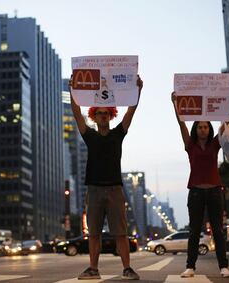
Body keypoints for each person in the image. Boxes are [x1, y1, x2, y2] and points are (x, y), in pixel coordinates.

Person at [69, 75, 143, 280]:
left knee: (120, 232)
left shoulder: (118, 133)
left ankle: (127, 268)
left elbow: (131, 111)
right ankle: (93, 269)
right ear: (94, 116)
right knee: (93, 233)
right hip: (93, 190)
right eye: (99, 113)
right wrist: (73, 91)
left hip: (114, 190)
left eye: (106, 113)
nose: (102, 116)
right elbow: (76, 114)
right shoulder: (89, 135)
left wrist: (138, 90)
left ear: (111, 115)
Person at [171, 91, 229, 278]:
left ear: (209, 129)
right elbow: (180, 123)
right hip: (196, 193)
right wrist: (175, 104)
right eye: (200, 127)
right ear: (195, 129)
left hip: (215, 191)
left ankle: (224, 267)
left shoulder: (216, 144)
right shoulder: (189, 145)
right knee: (194, 231)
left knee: (218, 231)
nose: (203, 130)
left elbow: (226, 123)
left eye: (206, 127)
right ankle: (190, 267)